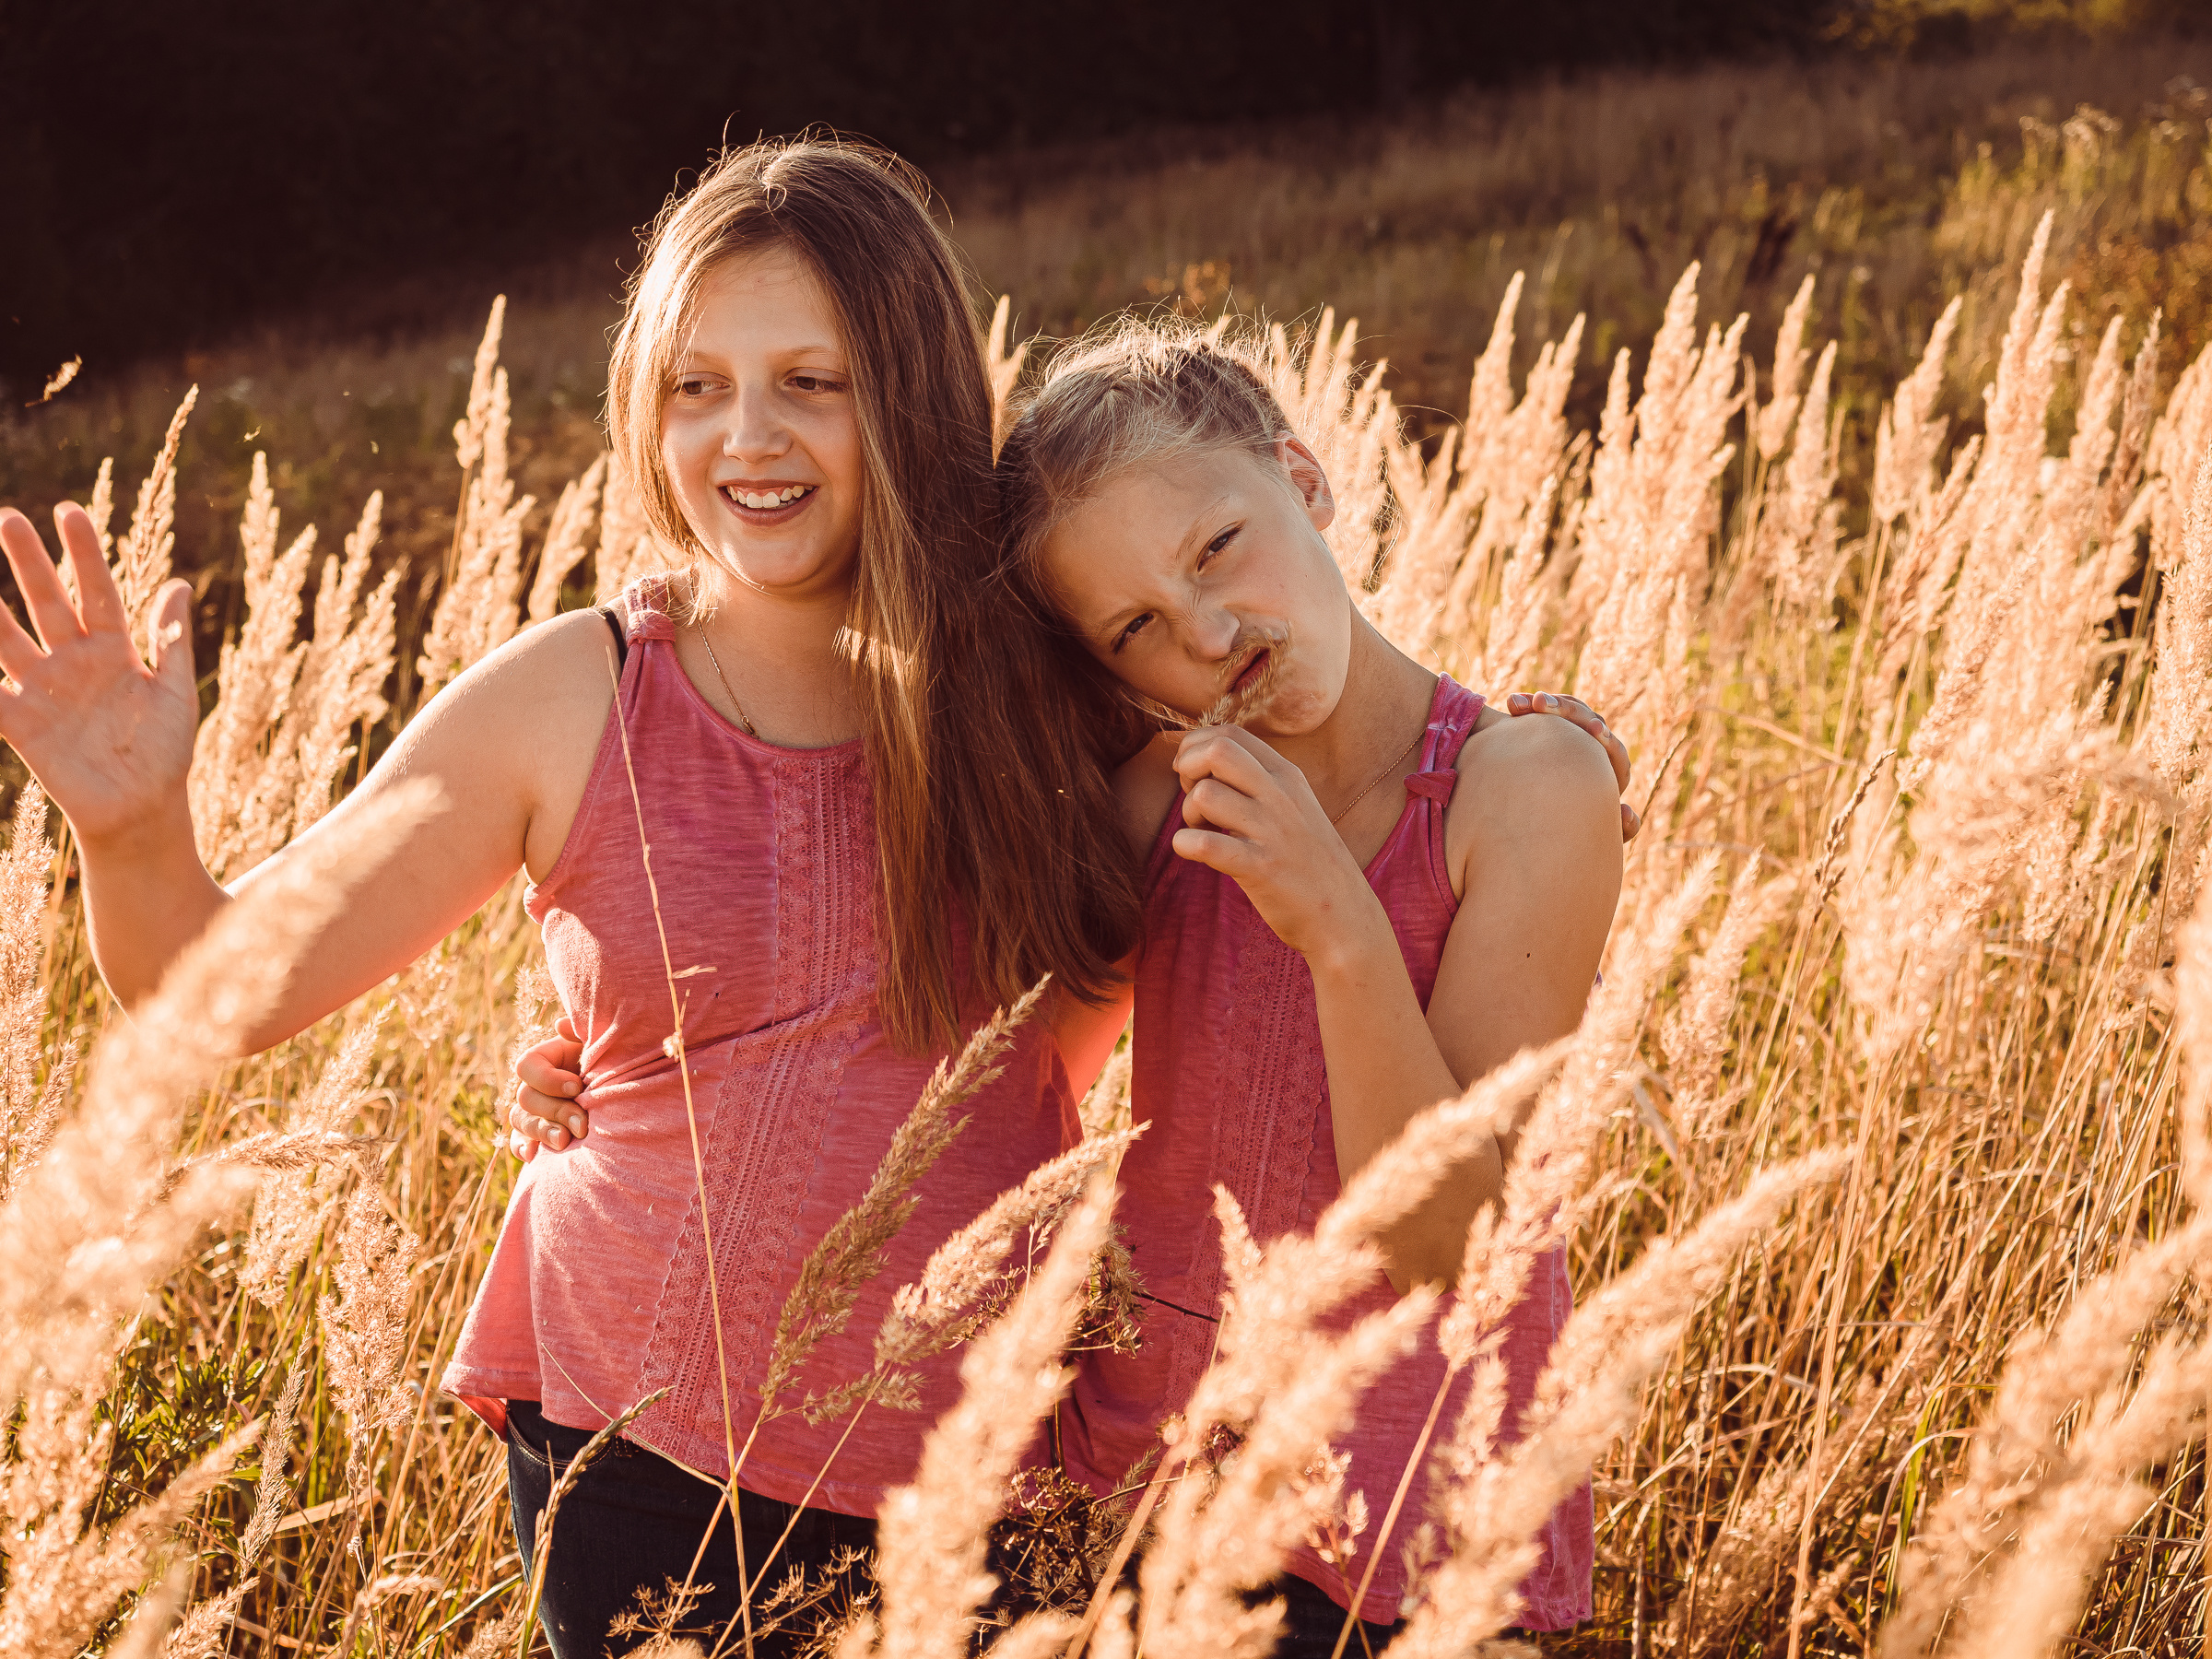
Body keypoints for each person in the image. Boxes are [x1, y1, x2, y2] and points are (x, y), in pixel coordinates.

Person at [0, 139, 1144, 1658]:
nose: (749, 435)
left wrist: (1522, 746)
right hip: (649, 1457)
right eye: (697, 386)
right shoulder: (576, 695)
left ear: (916, 396)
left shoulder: (1052, 682)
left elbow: (1242, 846)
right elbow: (221, 988)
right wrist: (133, 825)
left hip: (989, 1460)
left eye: (815, 381)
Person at [512, 317, 1628, 1647]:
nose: (1212, 629)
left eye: (1220, 546)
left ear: (1307, 481)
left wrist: (1336, 918)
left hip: (1406, 1532)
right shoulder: (1164, 803)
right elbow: (893, 1008)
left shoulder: (1524, 790)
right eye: (1140, 626)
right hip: (1131, 1512)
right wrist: (630, 1055)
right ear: (1118, 680)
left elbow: (1447, 1242)